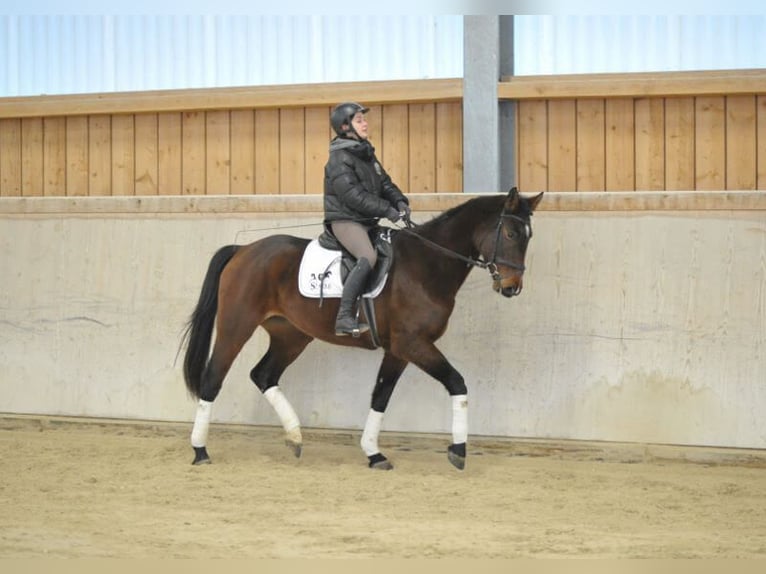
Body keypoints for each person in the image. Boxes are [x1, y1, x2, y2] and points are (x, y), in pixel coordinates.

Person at [323, 102, 411, 337]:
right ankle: (344, 316)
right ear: (345, 127)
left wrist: (400, 201)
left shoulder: (365, 152)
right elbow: (353, 196)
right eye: (359, 120)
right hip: (345, 220)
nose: (365, 123)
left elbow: (384, 183)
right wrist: (387, 210)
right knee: (368, 256)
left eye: (364, 119)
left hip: (366, 220)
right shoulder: (339, 159)